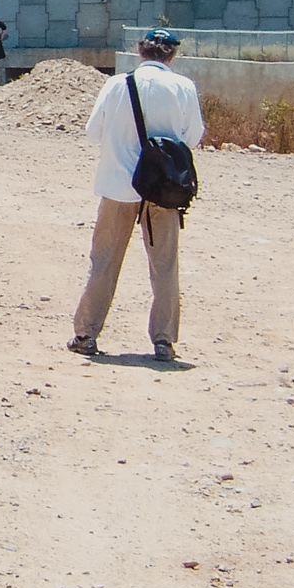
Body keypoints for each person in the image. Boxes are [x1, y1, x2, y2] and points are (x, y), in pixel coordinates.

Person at [69, 29, 203, 363]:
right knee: (165, 266)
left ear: (140, 52)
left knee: (104, 262)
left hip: (118, 186)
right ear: (171, 55)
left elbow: (92, 132)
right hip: (163, 189)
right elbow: (194, 137)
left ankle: (86, 334)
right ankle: (163, 340)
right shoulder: (184, 87)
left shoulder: (117, 85)